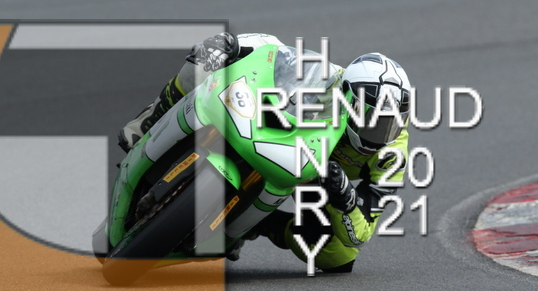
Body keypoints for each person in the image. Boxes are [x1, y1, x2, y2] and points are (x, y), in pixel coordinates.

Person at [119, 32, 410, 274]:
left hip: (321, 182)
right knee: (208, 59)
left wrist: (345, 197)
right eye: (372, 121)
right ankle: (151, 119)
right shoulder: (329, 78)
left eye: (390, 124)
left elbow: (361, 233)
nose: (380, 134)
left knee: (339, 255)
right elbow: (271, 49)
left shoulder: (392, 156)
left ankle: (260, 226)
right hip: (291, 143)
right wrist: (232, 45)